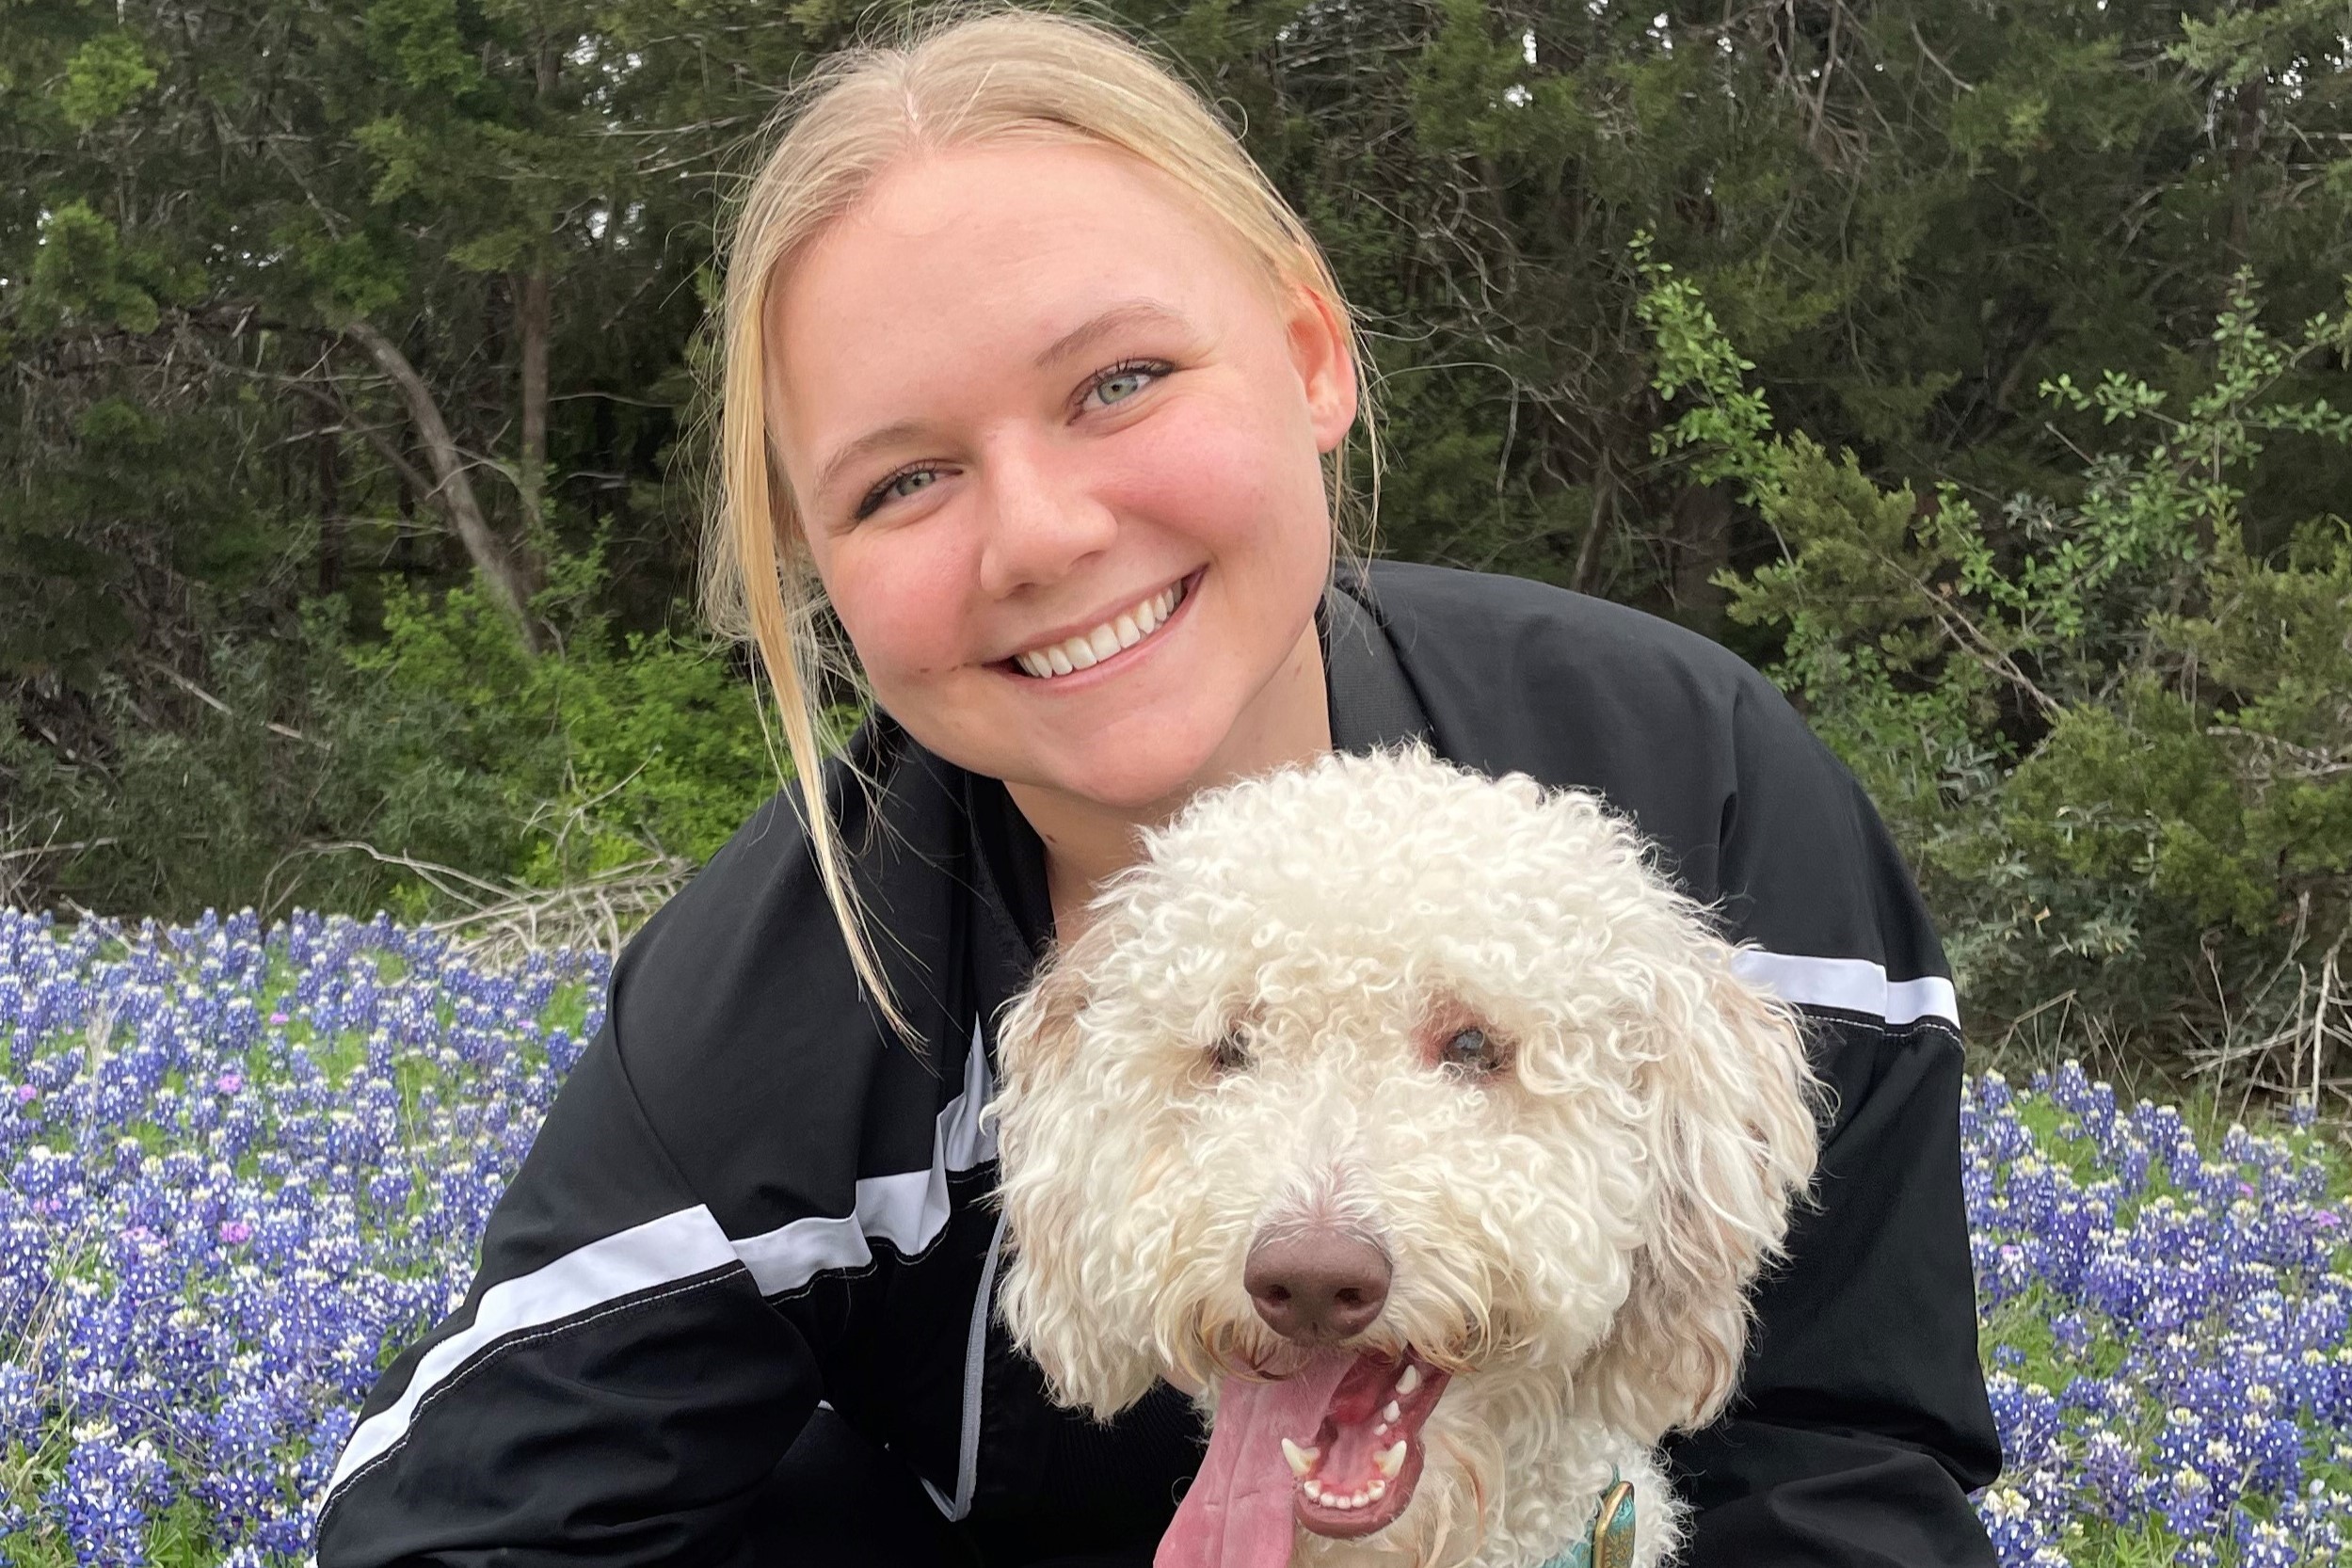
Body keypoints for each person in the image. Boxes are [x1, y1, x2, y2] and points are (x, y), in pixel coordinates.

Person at [312, 9, 2002, 1566]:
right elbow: (445, 1536)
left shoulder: (1695, 781)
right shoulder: (761, 1035)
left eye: (1119, 381)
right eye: (904, 479)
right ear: (816, 566)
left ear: (1311, 352)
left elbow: (1841, 1461)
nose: (1042, 533)